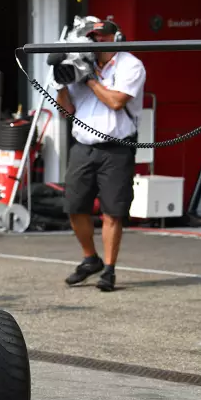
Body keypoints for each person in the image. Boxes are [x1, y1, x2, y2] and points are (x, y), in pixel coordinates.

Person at [55, 18, 146, 292]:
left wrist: (90, 79)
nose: (97, 42)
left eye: (102, 37)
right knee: (74, 206)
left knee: (113, 211)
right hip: (83, 146)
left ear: (115, 38)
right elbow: (66, 110)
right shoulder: (80, 64)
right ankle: (89, 258)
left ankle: (109, 269)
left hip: (117, 148)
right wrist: (59, 82)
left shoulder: (131, 65)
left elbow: (116, 102)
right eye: (93, 37)